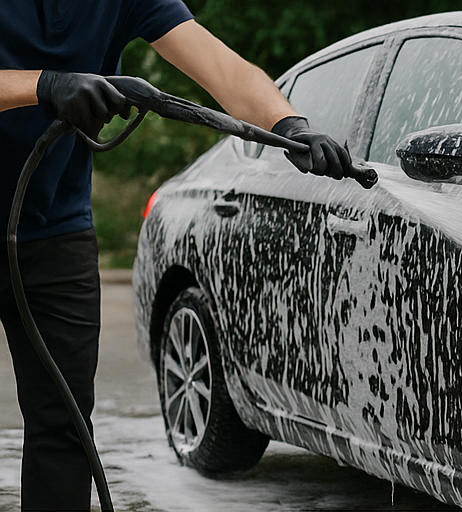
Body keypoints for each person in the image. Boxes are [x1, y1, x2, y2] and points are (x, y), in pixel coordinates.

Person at [0, 1, 354, 509]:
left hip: (57, 232)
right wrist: (44, 84)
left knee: (64, 426)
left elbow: (221, 67)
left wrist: (289, 126)